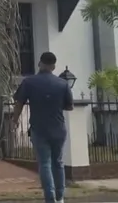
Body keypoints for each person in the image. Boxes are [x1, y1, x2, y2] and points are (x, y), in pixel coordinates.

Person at [10, 52, 74, 203]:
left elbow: (19, 103)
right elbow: (69, 107)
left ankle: (50, 197)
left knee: (44, 163)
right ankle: (60, 197)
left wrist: (15, 120)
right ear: (53, 66)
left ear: (40, 63)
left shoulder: (29, 82)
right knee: (58, 162)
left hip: (39, 129)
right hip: (58, 128)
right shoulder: (63, 84)